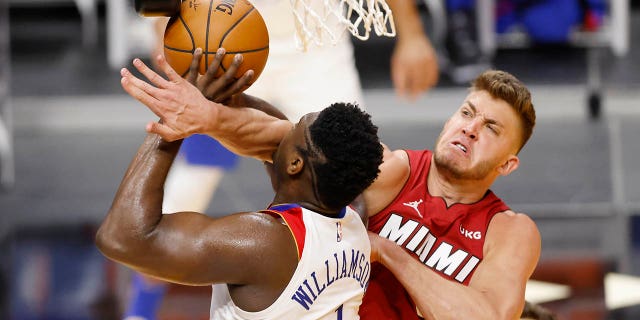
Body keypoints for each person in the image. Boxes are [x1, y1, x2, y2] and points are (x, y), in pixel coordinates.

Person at [120, 58, 543, 319]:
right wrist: (207, 117)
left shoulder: (509, 231)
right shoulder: (393, 170)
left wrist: (389, 251)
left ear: (509, 163)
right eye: (467, 113)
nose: (469, 129)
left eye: (490, 128)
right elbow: (280, 139)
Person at [124, 0, 439, 318]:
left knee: (357, 185)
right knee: (181, 198)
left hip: (315, 39)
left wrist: (412, 34)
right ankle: (139, 311)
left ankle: (356, 305)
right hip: (222, 37)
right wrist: (163, 31)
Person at [96, 52, 385, 319]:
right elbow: (275, 135)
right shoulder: (355, 221)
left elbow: (122, 237)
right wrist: (219, 96)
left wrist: (172, 120)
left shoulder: (263, 242)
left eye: (293, 129)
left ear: (295, 165)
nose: (282, 128)